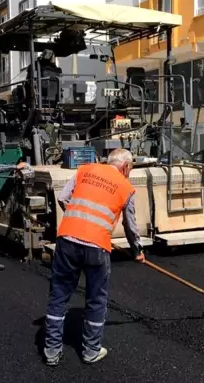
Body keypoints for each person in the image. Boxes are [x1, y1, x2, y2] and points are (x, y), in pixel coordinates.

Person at [43, 149, 144, 366]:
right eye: (131, 168)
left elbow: (63, 198)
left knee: (59, 294)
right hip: (97, 246)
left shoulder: (84, 170)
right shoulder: (126, 187)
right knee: (96, 299)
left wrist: (80, 220)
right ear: (126, 167)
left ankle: (51, 351)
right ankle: (90, 351)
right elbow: (131, 226)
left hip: (67, 239)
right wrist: (138, 251)